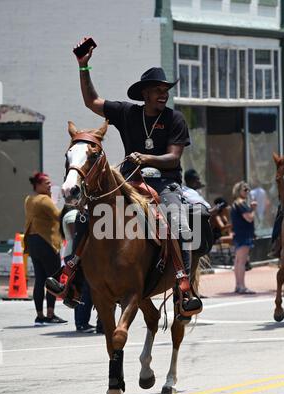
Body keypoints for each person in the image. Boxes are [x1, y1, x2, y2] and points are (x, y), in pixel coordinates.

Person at [48, 38, 202, 315]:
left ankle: (183, 289)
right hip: (129, 181)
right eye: (157, 89)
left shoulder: (175, 119)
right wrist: (84, 67)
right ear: (144, 93)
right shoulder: (127, 112)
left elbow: (174, 158)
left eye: (165, 89)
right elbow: (91, 101)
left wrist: (146, 158)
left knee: (179, 223)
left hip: (165, 183)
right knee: (86, 216)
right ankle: (70, 278)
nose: (163, 94)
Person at [24, 172, 68, 325]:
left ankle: (39, 316)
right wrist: (68, 202)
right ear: (38, 185)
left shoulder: (29, 199)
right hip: (46, 243)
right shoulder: (44, 200)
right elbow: (59, 216)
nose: (49, 185)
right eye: (46, 183)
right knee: (53, 280)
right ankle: (50, 314)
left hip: (33, 242)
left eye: (50, 183)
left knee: (39, 280)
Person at [60, 205, 104, 333]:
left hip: (80, 255)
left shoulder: (85, 213)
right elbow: (77, 239)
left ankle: (86, 323)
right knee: (85, 289)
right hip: (78, 255)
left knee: (86, 288)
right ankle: (82, 323)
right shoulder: (75, 215)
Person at [230, 181, 257, 295]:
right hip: (244, 235)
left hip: (239, 234)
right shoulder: (241, 203)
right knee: (242, 261)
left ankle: (238, 285)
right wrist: (253, 209)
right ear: (238, 191)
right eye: (245, 189)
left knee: (238, 261)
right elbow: (249, 218)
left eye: (248, 189)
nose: (247, 191)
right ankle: (242, 286)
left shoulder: (236, 203)